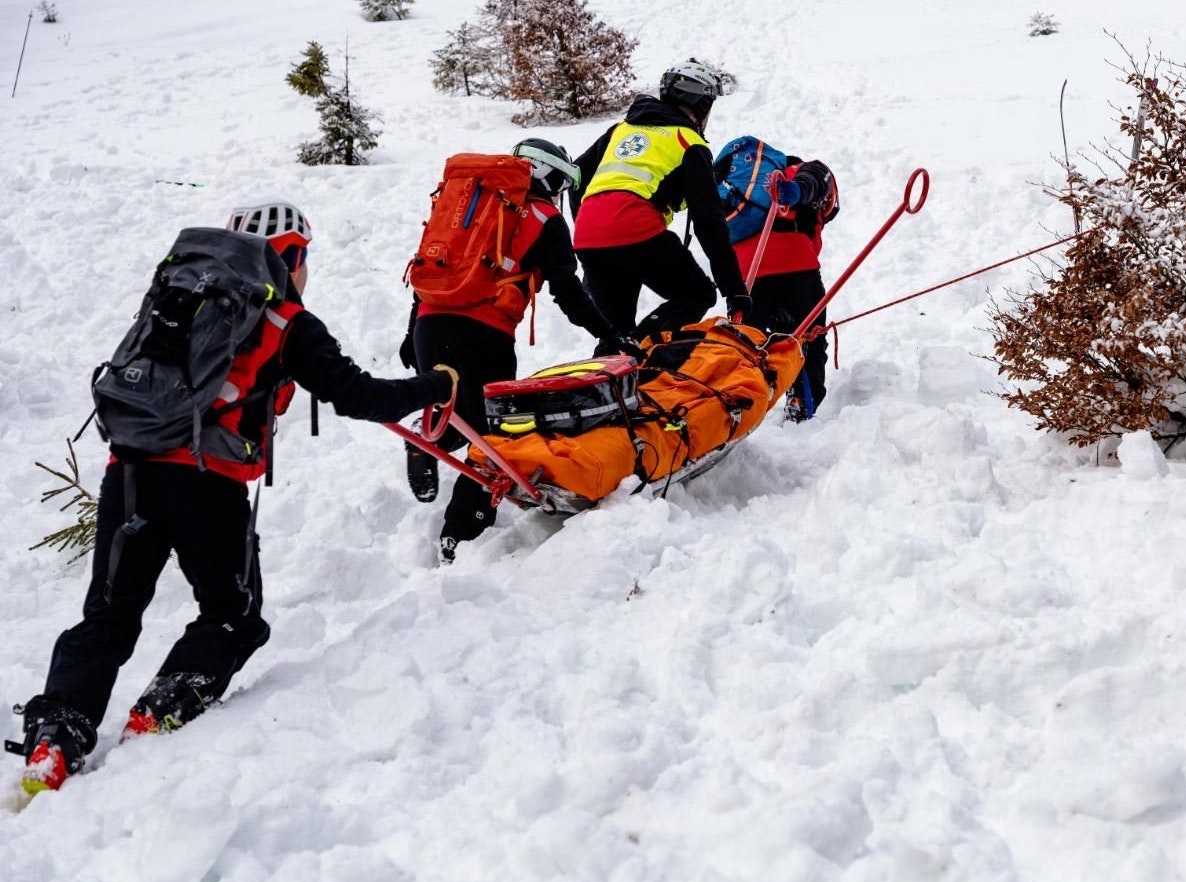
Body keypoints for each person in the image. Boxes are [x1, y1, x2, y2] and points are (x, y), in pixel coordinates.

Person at [11, 201, 460, 795]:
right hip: (206, 485)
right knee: (234, 617)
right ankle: (162, 709)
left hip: (129, 476)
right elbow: (359, 396)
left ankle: (55, 740)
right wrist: (436, 383)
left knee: (108, 618)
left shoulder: (177, 297)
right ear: (293, 256)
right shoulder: (285, 320)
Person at [399, 139, 621, 564]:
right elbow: (569, 293)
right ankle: (460, 535)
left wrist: (413, 333)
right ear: (547, 175)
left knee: (455, 413)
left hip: (429, 322)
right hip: (485, 334)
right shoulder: (545, 218)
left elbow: (435, 265)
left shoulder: (471, 204)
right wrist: (608, 333)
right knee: (495, 437)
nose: (558, 192)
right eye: (559, 181)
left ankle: (424, 438)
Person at [571, 59, 752, 344]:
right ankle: (639, 347)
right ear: (702, 105)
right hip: (635, 226)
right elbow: (709, 222)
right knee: (697, 293)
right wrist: (734, 289)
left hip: (588, 235)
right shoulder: (688, 141)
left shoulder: (621, 130)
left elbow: (577, 175)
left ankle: (609, 376)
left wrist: (587, 230)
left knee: (613, 333)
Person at [715, 147, 840, 421]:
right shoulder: (803, 169)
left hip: (745, 276)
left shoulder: (738, 187)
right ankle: (802, 404)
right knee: (807, 340)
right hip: (797, 268)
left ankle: (734, 409)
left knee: (745, 347)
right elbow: (816, 181)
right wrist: (796, 191)